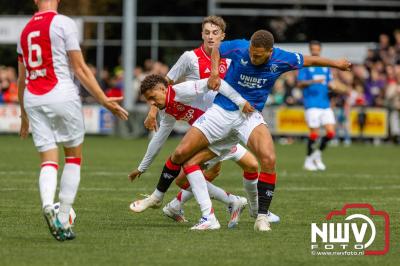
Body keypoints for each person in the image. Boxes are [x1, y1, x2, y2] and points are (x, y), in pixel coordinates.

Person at [149, 30, 351, 231]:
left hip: (249, 115)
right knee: (182, 153)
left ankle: (261, 216)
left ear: (270, 52)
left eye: (258, 55)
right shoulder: (240, 47)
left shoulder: (282, 58)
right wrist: (214, 72)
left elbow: (310, 61)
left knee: (268, 159)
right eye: (252, 53)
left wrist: (337, 64)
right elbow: (217, 49)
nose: (253, 57)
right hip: (222, 109)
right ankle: (161, 198)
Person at [134, 16, 280, 227]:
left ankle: (254, 210)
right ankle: (225, 206)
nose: (211, 36)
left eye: (215, 33)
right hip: (208, 125)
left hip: (230, 121)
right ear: (201, 34)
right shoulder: (189, 57)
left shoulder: (231, 58)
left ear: (222, 36)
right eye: (207, 32)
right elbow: (164, 86)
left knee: (249, 165)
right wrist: (153, 109)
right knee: (193, 174)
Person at [17, 0, 128, 241]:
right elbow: (79, 68)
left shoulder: (25, 30)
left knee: (48, 159)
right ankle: (63, 216)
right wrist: (102, 98)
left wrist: (23, 115)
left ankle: (48, 204)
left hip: (33, 98)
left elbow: (21, 78)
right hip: (61, 94)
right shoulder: (63, 23)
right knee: (73, 158)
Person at [130, 74, 256, 228]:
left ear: (163, 89)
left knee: (183, 161)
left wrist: (240, 102)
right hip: (213, 135)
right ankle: (234, 203)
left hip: (223, 129)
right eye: (148, 100)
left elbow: (216, 83)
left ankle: (223, 211)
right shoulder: (168, 109)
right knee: (184, 178)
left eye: (152, 97)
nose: (152, 103)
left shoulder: (182, 90)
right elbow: (158, 139)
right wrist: (142, 167)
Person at [297, 40, 338, 171]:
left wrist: (332, 86)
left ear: (320, 50)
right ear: (310, 50)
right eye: (313, 49)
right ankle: (308, 160)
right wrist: (313, 81)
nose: (315, 51)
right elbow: (300, 84)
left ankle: (317, 154)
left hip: (325, 104)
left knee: (331, 133)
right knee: (314, 134)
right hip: (312, 104)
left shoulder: (326, 66)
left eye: (317, 49)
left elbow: (330, 83)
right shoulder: (306, 65)